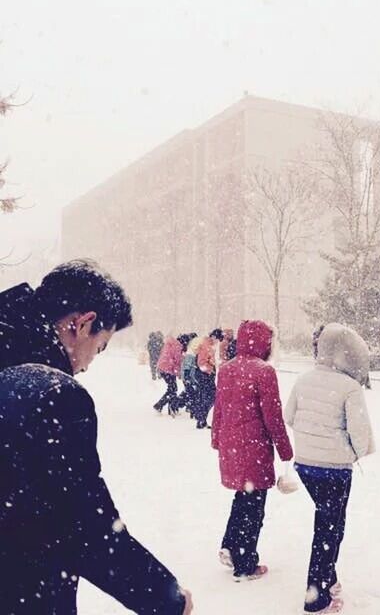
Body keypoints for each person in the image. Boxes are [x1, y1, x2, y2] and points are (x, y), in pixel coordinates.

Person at [0, 259, 192, 614]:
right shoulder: (50, 392)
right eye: (100, 346)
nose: (88, 364)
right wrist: (166, 598)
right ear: (81, 324)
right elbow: (84, 527)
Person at [285, 322, 374, 614]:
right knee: (330, 527)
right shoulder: (349, 386)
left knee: (328, 521)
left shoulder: (303, 380)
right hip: (335, 468)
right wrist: (353, 452)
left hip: (306, 466)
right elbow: (361, 435)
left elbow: (290, 415)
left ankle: (328, 577)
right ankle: (317, 595)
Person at [212, 319, 293, 581]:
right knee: (254, 506)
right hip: (253, 448)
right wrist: (285, 450)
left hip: (231, 445)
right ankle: (245, 562)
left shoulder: (227, 369)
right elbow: (273, 416)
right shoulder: (264, 372)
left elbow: (220, 408)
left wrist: (217, 440)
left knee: (242, 498)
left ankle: (230, 545)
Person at [193, 328, 221, 429]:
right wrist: (209, 369)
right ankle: (201, 419)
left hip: (204, 374)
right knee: (210, 397)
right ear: (214, 337)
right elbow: (202, 362)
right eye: (218, 339)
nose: (218, 342)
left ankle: (202, 420)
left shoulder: (208, 345)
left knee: (206, 397)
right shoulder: (207, 346)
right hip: (204, 375)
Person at [154, 333, 183, 416]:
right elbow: (178, 360)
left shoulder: (169, 344)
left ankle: (171, 409)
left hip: (162, 368)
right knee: (172, 389)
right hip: (168, 369)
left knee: (172, 388)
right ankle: (159, 405)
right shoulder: (178, 346)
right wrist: (179, 372)